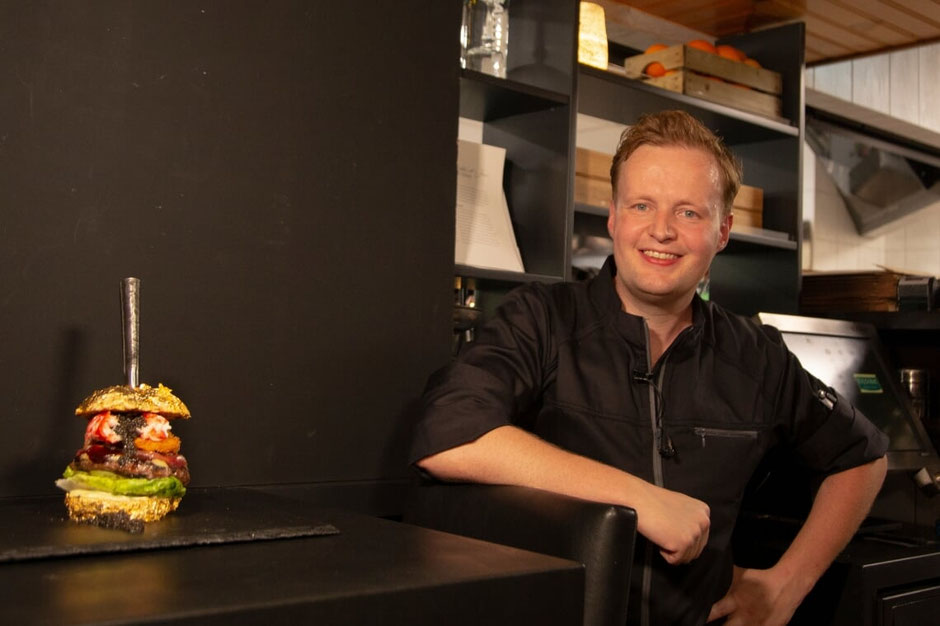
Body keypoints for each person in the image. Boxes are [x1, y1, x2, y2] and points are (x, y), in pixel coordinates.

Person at [410, 110, 888, 626]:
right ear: (614, 216)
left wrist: (787, 585)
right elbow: (448, 437)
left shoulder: (758, 355)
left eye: (689, 213)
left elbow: (861, 457)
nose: (661, 231)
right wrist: (639, 500)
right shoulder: (541, 319)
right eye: (642, 205)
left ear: (722, 231)